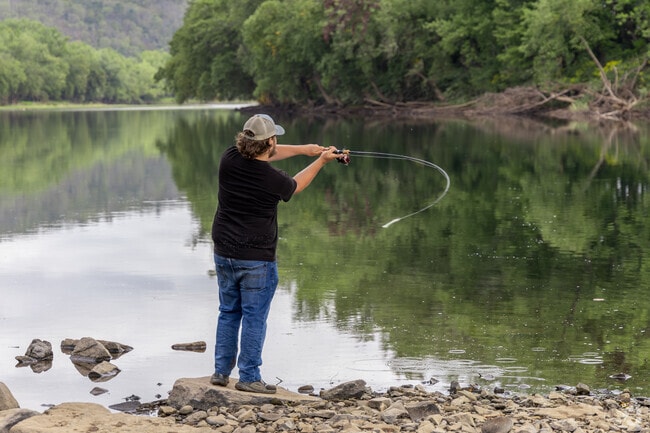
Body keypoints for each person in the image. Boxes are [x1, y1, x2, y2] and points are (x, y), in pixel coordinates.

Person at [210, 114, 340, 394]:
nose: (276, 143)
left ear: (245, 140)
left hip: (224, 253)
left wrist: (305, 149)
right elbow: (295, 185)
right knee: (255, 316)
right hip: (256, 258)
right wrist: (321, 161)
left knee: (228, 312)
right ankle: (249, 377)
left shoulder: (229, 158)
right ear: (269, 142)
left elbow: (268, 152)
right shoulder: (272, 179)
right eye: (274, 139)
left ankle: (221, 373)